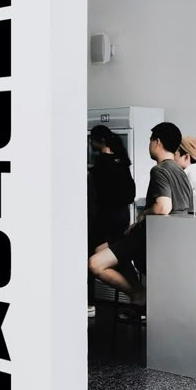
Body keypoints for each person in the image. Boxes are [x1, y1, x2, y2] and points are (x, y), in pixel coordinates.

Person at [88, 121, 192, 317]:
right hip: (168, 241)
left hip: (148, 238)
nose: (149, 145)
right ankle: (138, 294)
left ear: (157, 142)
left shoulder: (159, 170)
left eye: (150, 140)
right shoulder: (180, 171)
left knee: (95, 264)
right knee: (102, 248)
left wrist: (143, 215)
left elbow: (163, 207)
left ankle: (138, 294)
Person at [87, 125, 136, 317]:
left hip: (105, 219)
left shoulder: (101, 163)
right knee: (120, 257)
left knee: (97, 260)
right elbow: (129, 193)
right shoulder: (122, 161)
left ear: (101, 141)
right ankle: (139, 295)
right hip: (122, 217)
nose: (91, 143)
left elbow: (97, 195)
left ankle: (137, 294)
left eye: (92, 139)